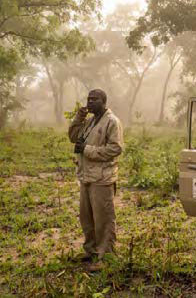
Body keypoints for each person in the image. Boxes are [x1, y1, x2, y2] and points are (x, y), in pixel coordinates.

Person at [68, 89, 124, 271]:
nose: (90, 102)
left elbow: (115, 149)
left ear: (104, 101)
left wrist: (87, 150)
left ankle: (106, 257)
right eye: (88, 99)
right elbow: (73, 137)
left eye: (95, 99)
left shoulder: (112, 121)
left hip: (102, 178)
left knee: (104, 219)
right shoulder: (90, 121)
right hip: (86, 176)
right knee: (87, 218)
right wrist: (78, 118)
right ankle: (90, 251)